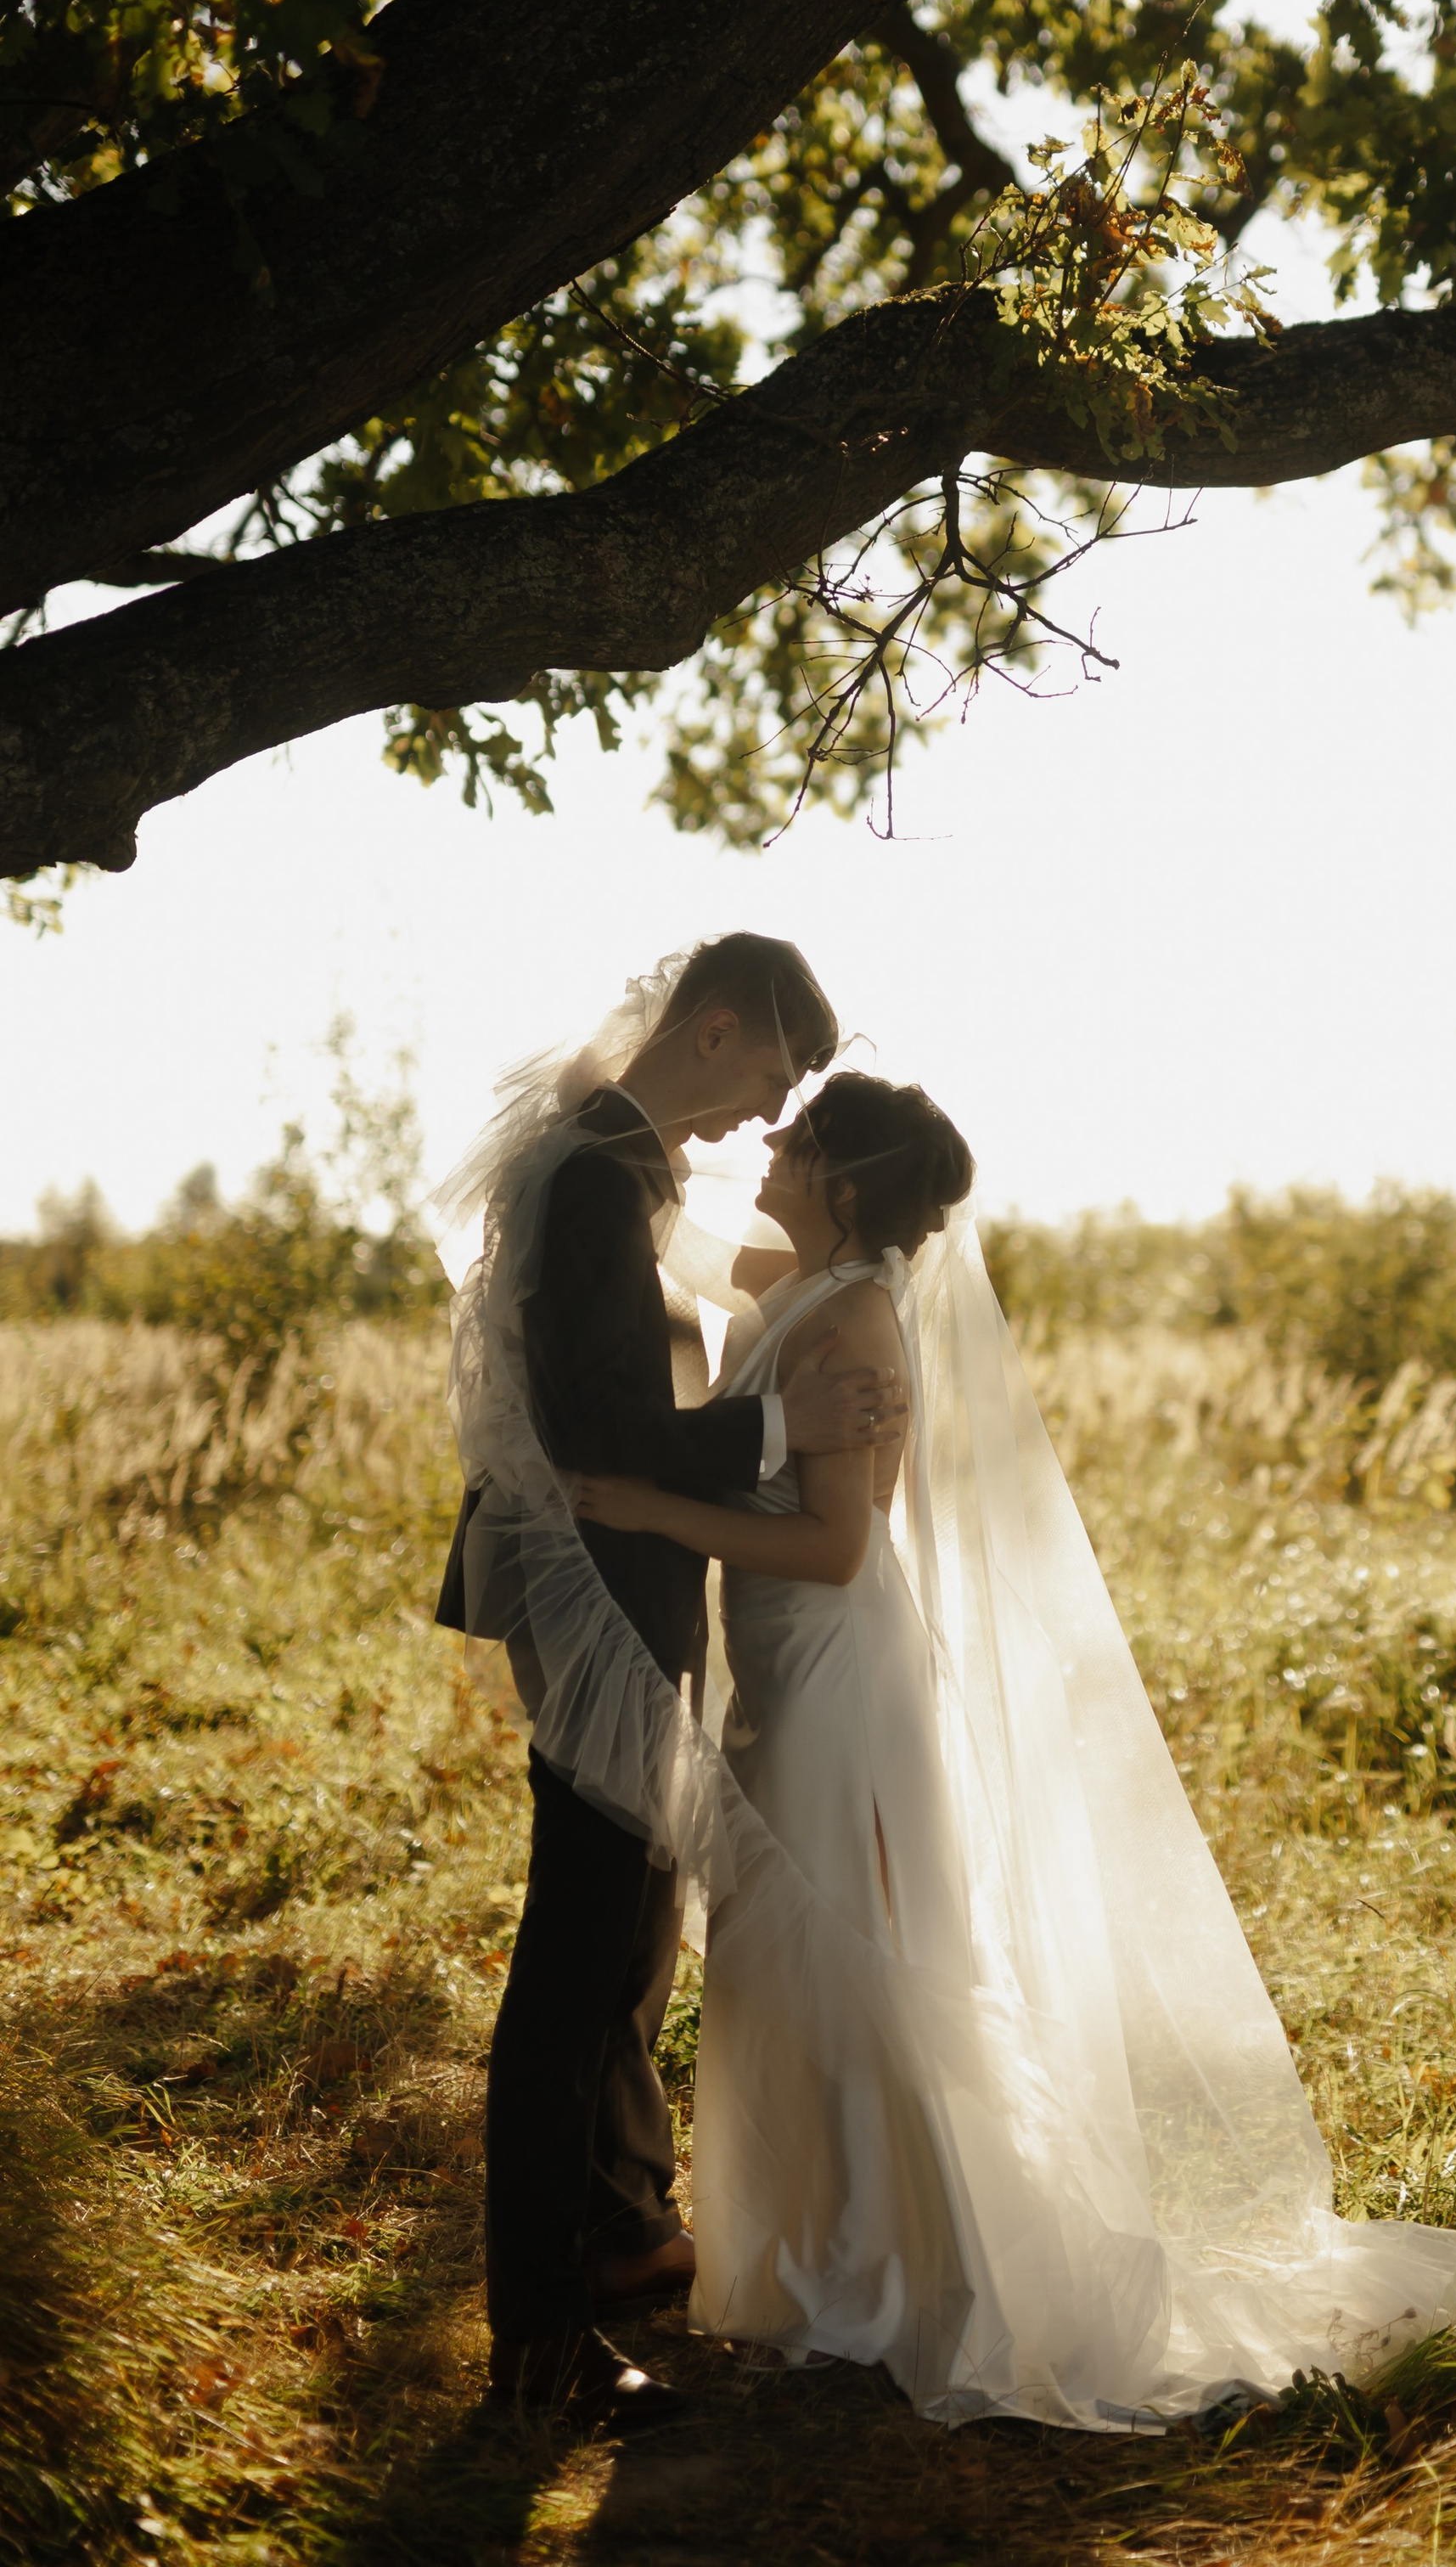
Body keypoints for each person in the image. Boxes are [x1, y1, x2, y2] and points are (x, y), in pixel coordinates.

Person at [573, 1070, 1456, 2429]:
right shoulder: (804, 1279)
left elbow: (832, 1549)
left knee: (850, 1951)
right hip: (784, 1674)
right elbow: (681, 1236)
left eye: (800, 1137)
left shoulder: (859, 1322)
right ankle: (831, 2252)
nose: (769, 1143)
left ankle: (908, 2272)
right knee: (792, 1956)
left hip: (833, 1676)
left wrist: (649, 1506)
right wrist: (594, 1105)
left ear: (852, 1185)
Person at [432, 935, 908, 2425]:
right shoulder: (589, 1178)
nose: (755, 1120)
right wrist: (784, 1433)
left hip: (635, 1592)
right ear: (711, 1031)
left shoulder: (619, 1171)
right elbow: (608, 1432)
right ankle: (539, 2339)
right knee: (575, 1957)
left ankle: (626, 2226)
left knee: (637, 1917)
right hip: (594, 1601)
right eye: (763, 1079)